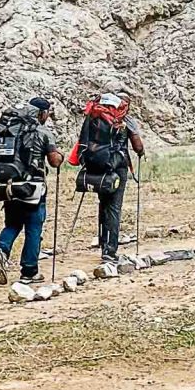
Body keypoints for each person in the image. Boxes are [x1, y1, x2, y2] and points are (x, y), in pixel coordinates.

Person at [0, 97, 63, 285]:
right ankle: (29, 271)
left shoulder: (8, 130)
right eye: (47, 113)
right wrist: (60, 156)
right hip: (33, 188)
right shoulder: (42, 131)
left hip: (8, 185)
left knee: (12, 224)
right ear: (42, 113)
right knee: (33, 228)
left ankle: (2, 250)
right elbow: (54, 161)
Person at [71, 91, 144, 266]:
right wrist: (140, 152)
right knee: (113, 208)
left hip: (96, 167)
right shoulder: (125, 119)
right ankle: (110, 251)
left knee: (103, 205)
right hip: (116, 168)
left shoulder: (94, 116)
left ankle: (103, 243)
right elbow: (138, 146)